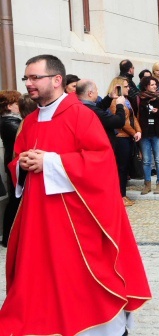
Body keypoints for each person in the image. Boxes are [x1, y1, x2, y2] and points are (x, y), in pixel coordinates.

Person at [0, 55, 150, 334]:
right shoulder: (29, 122)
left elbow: (101, 162)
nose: (29, 84)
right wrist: (21, 164)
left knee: (81, 278)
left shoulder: (81, 115)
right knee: (40, 279)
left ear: (57, 80)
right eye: (27, 79)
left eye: (35, 78)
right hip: (38, 218)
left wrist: (52, 162)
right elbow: (18, 157)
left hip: (76, 219)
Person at [106, 76, 142, 206]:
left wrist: (138, 131)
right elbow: (122, 122)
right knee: (121, 168)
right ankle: (120, 195)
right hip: (120, 137)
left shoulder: (126, 101)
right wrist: (134, 132)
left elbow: (133, 117)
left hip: (128, 137)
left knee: (124, 168)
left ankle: (123, 194)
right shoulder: (115, 102)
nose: (129, 88)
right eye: (126, 86)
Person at [138, 76, 159, 195]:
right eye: (152, 85)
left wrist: (158, 112)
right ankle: (147, 184)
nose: (154, 86)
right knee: (146, 160)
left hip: (157, 132)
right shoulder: (140, 100)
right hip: (145, 133)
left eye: (155, 84)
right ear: (145, 86)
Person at [76, 79, 126, 153]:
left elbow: (98, 108)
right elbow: (119, 121)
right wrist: (120, 105)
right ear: (90, 93)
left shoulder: (78, 106)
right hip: (100, 150)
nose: (97, 92)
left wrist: (109, 97)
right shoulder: (91, 110)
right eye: (96, 90)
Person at [0, 90, 22, 247]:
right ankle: (7, 238)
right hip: (13, 164)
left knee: (16, 200)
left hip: (13, 162)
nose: (19, 106)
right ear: (9, 106)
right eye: (16, 104)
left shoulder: (12, 121)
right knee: (15, 201)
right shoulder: (9, 123)